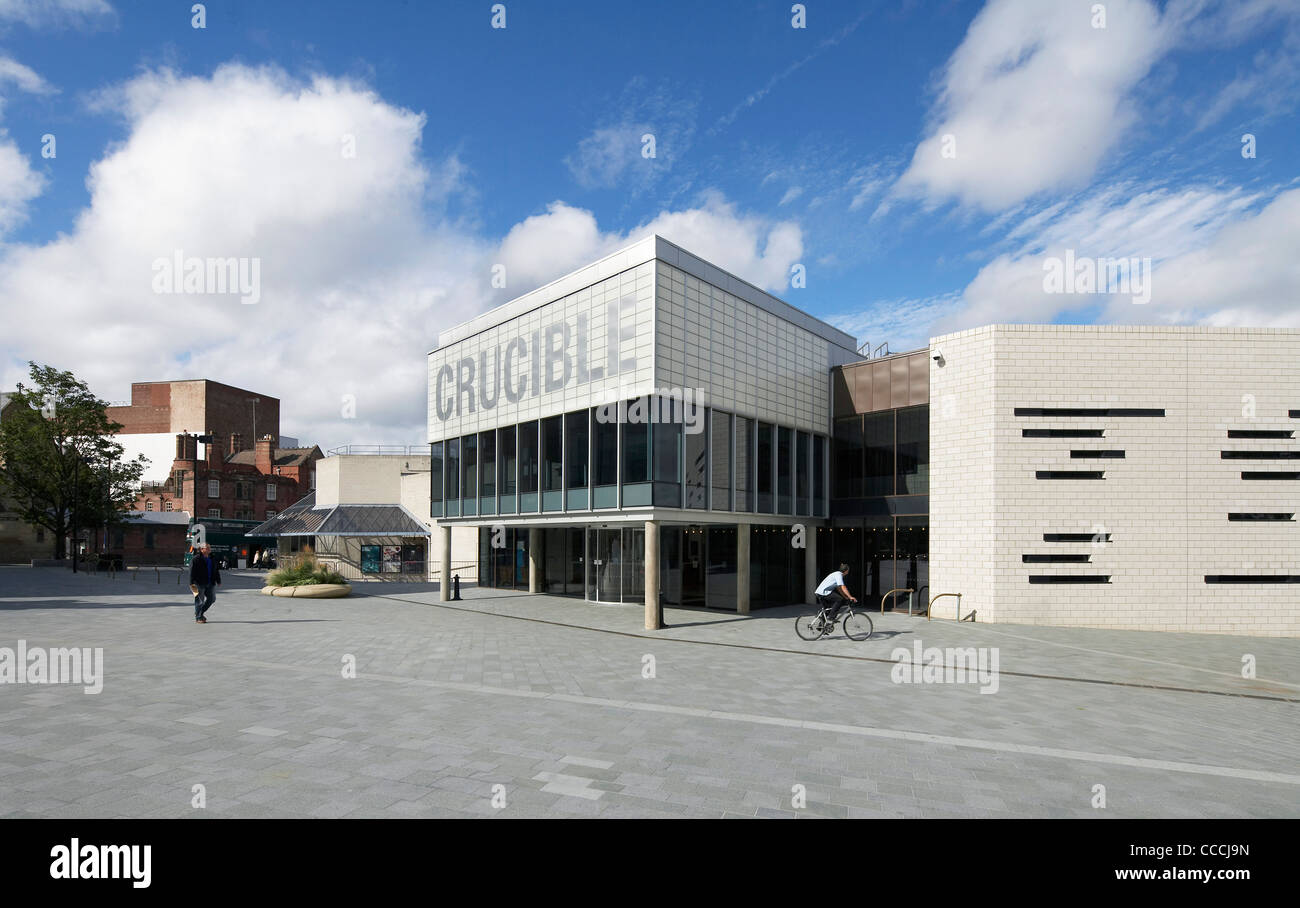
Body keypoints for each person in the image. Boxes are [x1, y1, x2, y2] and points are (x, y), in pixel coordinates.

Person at [189, 543, 221, 624]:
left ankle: (199, 613)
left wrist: (218, 580)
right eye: (207, 548)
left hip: (211, 583)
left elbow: (216, 570)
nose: (209, 549)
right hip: (198, 583)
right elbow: (191, 572)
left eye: (209, 548)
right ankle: (198, 618)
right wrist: (191, 584)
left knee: (212, 599)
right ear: (201, 549)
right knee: (200, 601)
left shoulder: (212, 558)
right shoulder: (196, 559)